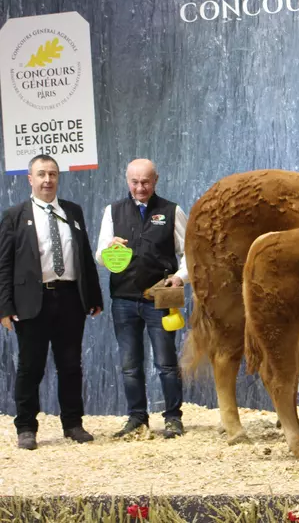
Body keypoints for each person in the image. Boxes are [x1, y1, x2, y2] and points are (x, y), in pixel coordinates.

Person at [0, 155, 103, 450]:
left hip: (70, 299)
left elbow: (83, 256)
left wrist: (93, 296)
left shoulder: (73, 211)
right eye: (41, 174)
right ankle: (26, 428)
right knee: (30, 367)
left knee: (70, 365)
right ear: (30, 179)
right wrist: (5, 307)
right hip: (31, 302)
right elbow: (4, 264)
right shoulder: (14, 215)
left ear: (59, 178)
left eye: (53, 174)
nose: (48, 180)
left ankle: (73, 424)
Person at [95, 158, 189, 439]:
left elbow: (189, 255)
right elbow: (99, 256)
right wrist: (108, 249)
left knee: (167, 363)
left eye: (145, 181)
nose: (140, 187)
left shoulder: (171, 211)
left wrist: (180, 278)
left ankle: (173, 418)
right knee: (129, 365)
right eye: (135, 182)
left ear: (156, 180)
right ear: (127, 181)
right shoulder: (112, 211)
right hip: (123, 300)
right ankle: (137, 418)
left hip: (160, 298)